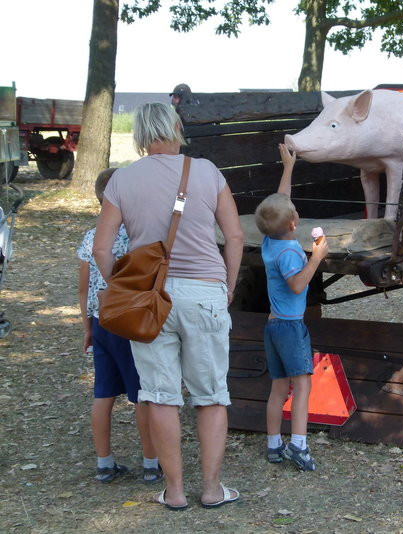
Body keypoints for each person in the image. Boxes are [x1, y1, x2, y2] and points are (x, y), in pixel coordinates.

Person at [93, 103, 244, 510]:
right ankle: (212, 490)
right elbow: (234, 236)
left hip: (149, 298)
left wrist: (126, 290)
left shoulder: (122, 180)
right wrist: (227, 286)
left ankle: (174, 491)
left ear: (141, 133)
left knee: (160, 396)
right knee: (211, 394)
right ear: (177, 128)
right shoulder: (208, 172)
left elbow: (102, 248)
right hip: (205, 292)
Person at [78, 168, 161, 485]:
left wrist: (87, 326)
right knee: (141, 394)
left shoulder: (90, 237)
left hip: (101, 322)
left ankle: (104, 463)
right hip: (128, 323)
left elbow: (84, 288)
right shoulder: (135, 236)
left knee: (103, 394)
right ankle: (151, 463)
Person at [254, 144, 328, 471]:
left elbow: (279, 203)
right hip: (290, 327)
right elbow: (298, 284)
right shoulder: (289, 254)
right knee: (303, 386)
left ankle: (274, 444)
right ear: (295, 224)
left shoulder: (270, 240)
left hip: (273, 326)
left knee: (278, 387)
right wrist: (317, 258)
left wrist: (288, 168)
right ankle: (298, 445)